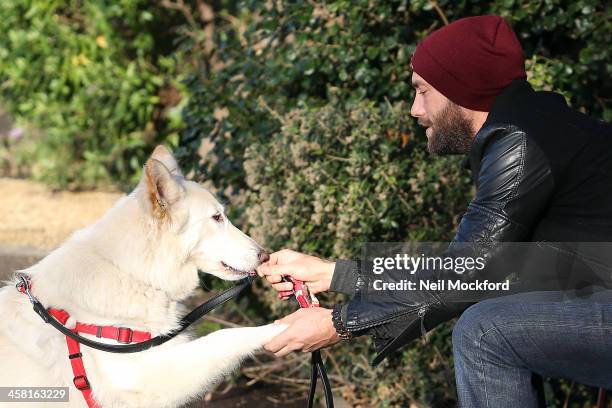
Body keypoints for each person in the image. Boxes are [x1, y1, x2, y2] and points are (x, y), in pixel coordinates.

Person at [257, 15, 612, 407]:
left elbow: (463, 274)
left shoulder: (521, 143)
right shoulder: (536, 128)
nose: (414, 109)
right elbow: (478, 272)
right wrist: (336, 273)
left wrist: (337, 323)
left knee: (485, 331)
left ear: (463, 87)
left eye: (423, 91)